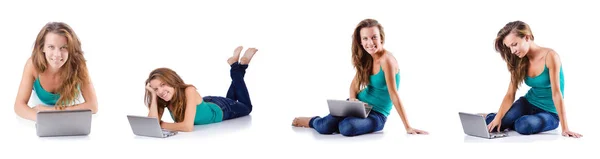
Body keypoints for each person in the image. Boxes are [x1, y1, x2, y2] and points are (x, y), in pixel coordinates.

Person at [291, 19, 428, 137]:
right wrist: (352, 101)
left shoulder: (387, 60)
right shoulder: (367, 59)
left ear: (381, 37)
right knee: (323, 127)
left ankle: (341, 122)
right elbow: (354, 86)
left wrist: (408, 126)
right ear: (360, 42)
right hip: (359, 107)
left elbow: (394, 94)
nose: (370, 42)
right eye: (365, 38)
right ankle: (310, 121)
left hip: (377, 115)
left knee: (347, 128)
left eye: (374, 37)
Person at [483, 20, 582, 138]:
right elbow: (510, 94)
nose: (512, 51)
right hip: (527, 103)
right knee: (493, 122)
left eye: (514, 45)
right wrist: (499, 118)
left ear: (527, 37)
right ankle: (498, 117)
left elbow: (556, 93)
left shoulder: (550, 56)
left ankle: (507, 119)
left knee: (523, 125)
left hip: (550, 113)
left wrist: (565, 128)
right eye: (509, 47)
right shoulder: (519, 60)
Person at [144, 46, 257, 132]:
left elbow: (187, 127)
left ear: (172, 81)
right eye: (155, 89)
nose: (160, 91)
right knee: (234, 95)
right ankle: (240, 66)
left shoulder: (189, 90)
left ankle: (235, 66)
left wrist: (161, 124)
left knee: (247, 108)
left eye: (163, 85)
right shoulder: (163, 98)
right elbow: (151, 125)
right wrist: (153, 97)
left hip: (223, 108)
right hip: (206, 104)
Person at [14, 22, 98, 121]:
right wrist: (43, 119)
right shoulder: (33, 64)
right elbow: (19, 106)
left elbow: (93, 106)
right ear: (42, 48)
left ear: (71, 49)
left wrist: (52, 111)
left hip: (69, 118)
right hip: (40, 116)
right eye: (51, 47)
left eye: (64, 48)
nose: (57, 54)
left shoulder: (79, 64)